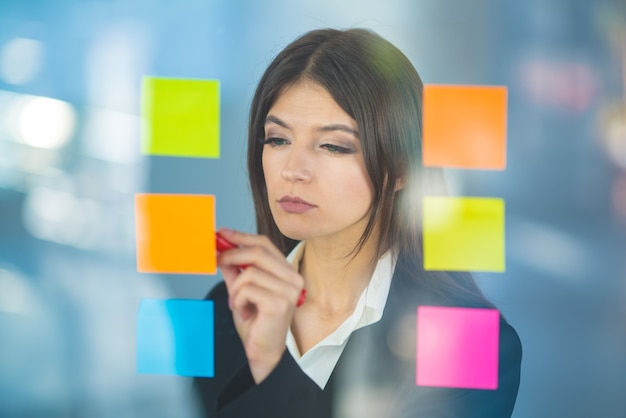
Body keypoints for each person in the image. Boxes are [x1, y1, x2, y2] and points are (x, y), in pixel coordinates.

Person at [194, 28, 522, 418]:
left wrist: (272, 365)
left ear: (401, 168)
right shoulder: (226, 308)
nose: (293, 170)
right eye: (278, 140)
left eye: (333, 146)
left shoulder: (467, 340)